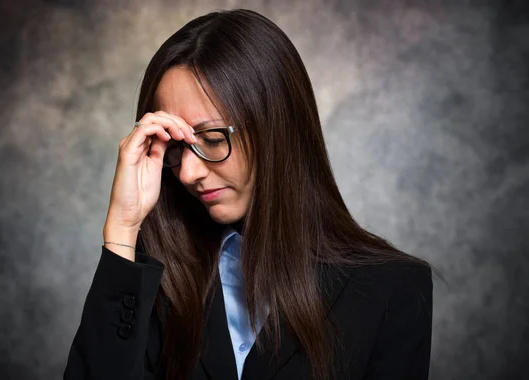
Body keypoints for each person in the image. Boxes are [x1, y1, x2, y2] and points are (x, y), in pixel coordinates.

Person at [63, 8, 433, 380]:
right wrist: (122, 229)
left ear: (277, 129)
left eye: (211, 139)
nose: (189, 174)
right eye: (173, 147)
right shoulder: (151, 281)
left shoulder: (393, 289)